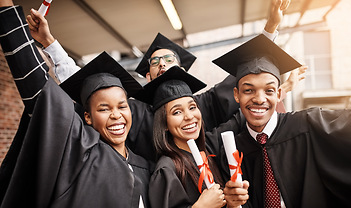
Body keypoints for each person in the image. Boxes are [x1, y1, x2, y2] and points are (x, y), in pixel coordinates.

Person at [25, 0, 305, 162]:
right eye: (155, 62)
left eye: (169, 60)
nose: (162, 65)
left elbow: (243, 80)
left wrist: (270, 28)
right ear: (147, 75)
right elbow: (92, 87)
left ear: (182, 69)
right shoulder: (131, 112)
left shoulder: (201, 105)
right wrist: (50, 43)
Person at [0, 2, 154, 208]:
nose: (116, 114)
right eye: (104, 108)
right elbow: (38, 90)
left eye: (122, 106)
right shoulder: (80, 153)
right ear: (87, 118)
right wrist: (7, 9)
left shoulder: (148, 168)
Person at [207, 34, 351, 208]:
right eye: (249, 90)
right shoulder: (232, 152)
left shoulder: (308, 125)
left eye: (269, 90)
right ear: (237, 95)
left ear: (279, 93)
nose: (259, 99)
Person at [135, 66, 250, 208]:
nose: (189, 116)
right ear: (164, 124)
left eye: (192, 107)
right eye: (177, 112)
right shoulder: (167, 170)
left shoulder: (210, 155)